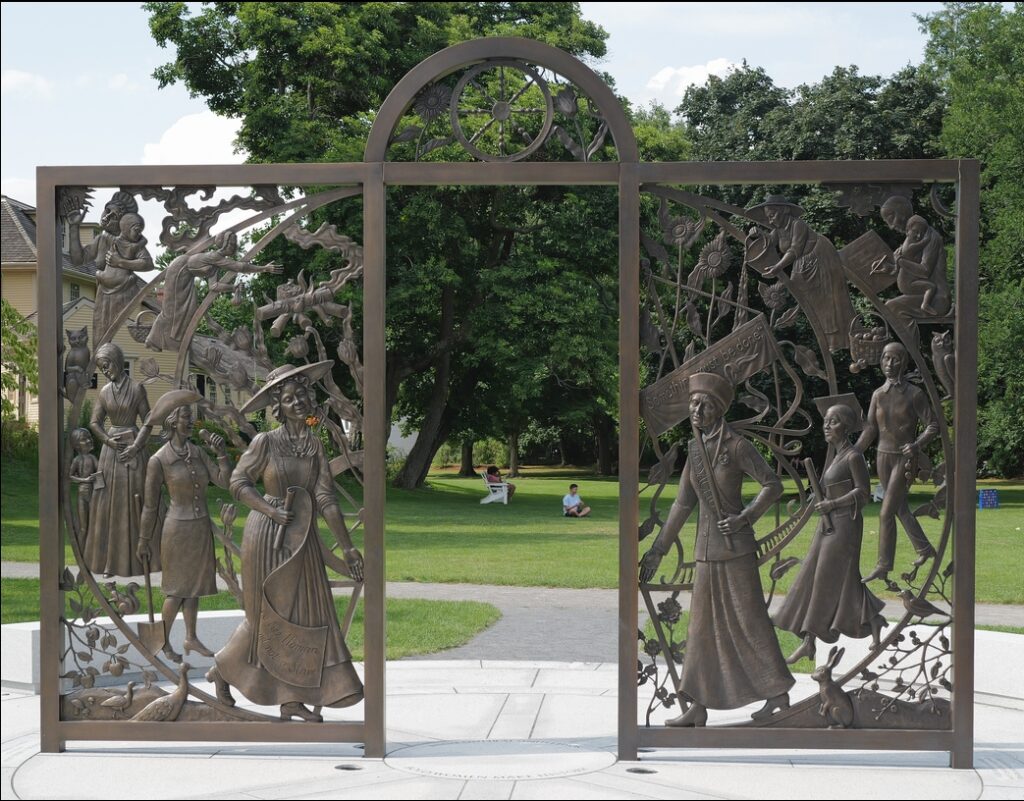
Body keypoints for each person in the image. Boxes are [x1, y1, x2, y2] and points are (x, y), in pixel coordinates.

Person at [207, 361, 365, 722]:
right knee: (267, 615)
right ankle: (223, 668)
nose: (298, 402)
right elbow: (237, 482)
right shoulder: (266, 442)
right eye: (290, 398)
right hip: (267, 535)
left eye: (303, 395)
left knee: (302, 616)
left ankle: (292, 698)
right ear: (278, 407)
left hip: (302, 536)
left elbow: (325, 497)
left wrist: (348, 545)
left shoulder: (313, 445)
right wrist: (269, 508)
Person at [639, 372, 793, 726]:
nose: (697, 409)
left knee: (750, 621)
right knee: (701, 629)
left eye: (704, 404)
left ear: (719, 409)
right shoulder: (694, 450)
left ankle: (778, 693)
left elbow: (772, 485)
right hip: (706, 552)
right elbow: (682, 505)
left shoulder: (736, 446)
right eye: (693, 403)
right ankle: (697, 704)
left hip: (735, 549)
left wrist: (745, 518)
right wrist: (658, 549)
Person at [773, 403, 887, 663]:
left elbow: (863, 492)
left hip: (845, 525)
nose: (826, 426)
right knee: (819, 577)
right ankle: (870, 623)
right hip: (827, 525)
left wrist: (833, 504)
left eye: (833, 421)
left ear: (846, 427)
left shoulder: (853, 456)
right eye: (825, 421)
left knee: (827, 579)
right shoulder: (836, 456)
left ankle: (811, 639)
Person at [136, 390, 232, 663]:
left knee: (194, 586)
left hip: (200, 528)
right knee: (177, 589)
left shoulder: (198, 453)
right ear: (171, 422)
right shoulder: (158, 461)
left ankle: (190, 636)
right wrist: (143, 540)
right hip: (176, 531)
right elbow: (150, 506)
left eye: (191, 418)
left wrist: (222, 454)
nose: (191, 423)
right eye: (186, 418)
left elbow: (223, 482)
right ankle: (160, 642)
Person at [857, 343, 938, 583]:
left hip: (905, 459)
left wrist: (916, 445)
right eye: (885, 359)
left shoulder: (915, 394)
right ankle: (924, 549)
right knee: (900, 508)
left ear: (903, 363)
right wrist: (850, 453)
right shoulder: (878, 395)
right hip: (882, 457)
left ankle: (883, 565)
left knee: (885, 512)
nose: (889, 364)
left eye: (894, 359)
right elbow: (871, 429)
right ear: (880, 362)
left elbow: (933, 425)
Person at [84, 342, 160, 577]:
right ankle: (109, 563)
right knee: (109, 506)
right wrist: (107, 441)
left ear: (117, 362)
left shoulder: (137, 389)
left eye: (106, 366)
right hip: (111, 454)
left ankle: (140, 561)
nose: (105, 371)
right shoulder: (104, 392)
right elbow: (94, 423)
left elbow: (149, 421)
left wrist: (137, 447)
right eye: (101, 368)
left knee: (135, 503)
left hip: (133, 450)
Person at [146, 230, 281, 352]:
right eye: (230, 243)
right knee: (173, 308)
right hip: (179, 271)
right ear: (223, 243)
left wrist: (232, 288)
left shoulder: (215, 265)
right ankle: (153, 339)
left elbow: (214, 286)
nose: (233, 246)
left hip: (188, 277)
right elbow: (239, 266)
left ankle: (170, 340)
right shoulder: (214, 257)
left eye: (234, 243)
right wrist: (263, 268)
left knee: (190, 309)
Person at [751, 195, 855, 353]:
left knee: (827, 299)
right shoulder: (778, 230)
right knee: (807, 297)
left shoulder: (798, 225)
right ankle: (828, 339)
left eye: (772, 215)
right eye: (768, 217)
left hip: (820, 257)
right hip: (804, 262)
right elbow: (769, 242)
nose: (770, 220)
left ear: (785, 210)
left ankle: (839, 339)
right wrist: (758, 233)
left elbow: (795, 250)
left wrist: (778, 266)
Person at [67, 191, 151, 340]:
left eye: (113, 215)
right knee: (99, 338)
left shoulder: (131, 242)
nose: (106, 217)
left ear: (123, 223)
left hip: (122, 293)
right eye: (106, 211)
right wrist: (74, 228)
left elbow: (147, 263)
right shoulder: (102, 239)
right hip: (103, 293)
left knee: (109, 335)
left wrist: (121, 262)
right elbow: (78, 259)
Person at [876, 196, 951, 326]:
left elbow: (925, 271)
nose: (891, 227)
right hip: (919, 293)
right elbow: (908, 269)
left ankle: (910, 346)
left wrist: (900, 262)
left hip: (936, 298)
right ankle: (909, 345)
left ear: (901, 214)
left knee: (891, 307)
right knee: (890, 307)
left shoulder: (929, 237)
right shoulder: (911, 239)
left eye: (890, 219)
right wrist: (889, 268)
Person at [96, 212, 153, 295]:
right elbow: (104, 231)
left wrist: (120, 262)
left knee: (132, 279)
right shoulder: (113, 240)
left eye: (140, 231)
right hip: (105, 285)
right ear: (126, 228)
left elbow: (148, 264)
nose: (139, 234)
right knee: (98, 274)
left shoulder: (136, 246)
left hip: (123, 287)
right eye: (136, 230)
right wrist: (105, 222)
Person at [69, 428, 99, 538]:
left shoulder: (92, 458)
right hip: (82, 495)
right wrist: (84, 480)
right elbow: (71, 476)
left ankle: (92, 551)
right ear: (77, 445)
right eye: (83, 439)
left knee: (94, 524)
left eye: (89, 438)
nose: (88, 441)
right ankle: (83, 550)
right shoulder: (77, 460)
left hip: (92, 494)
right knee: (83, 527)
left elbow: (100, 471)